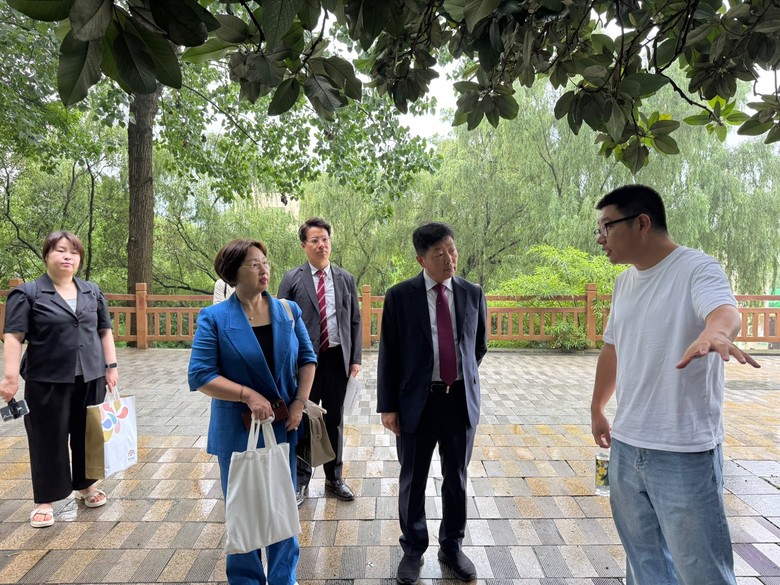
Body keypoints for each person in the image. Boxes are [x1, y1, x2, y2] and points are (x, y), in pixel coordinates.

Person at [589, 185, 760, 585]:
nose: (600, 238)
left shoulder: (697, 268)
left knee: (703, 572)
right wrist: (598, 407)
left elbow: (725, 312)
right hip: (627, 447)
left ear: (641, 223)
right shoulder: (624, 283)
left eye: (607, 227)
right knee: (645, 567)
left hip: (683, 452)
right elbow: (612, 349)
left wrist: (715, 332)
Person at [188, 239, 316, 585]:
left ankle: (283, 577)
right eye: (254, 264)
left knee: (281, 506)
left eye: (265, 262)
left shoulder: (287, 310)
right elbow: (200, 375)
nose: (264, 269)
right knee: (243, 510)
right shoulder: (215, 318)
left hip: (283, 425)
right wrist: (247, 395)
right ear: (233, 273)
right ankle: (245, 579)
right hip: (237, 429)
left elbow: (308, 359)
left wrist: (299, 403)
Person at [377, 222, 487, 584]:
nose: (449, 259)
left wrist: (457, 375)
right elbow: (389, 353)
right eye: (439, 253)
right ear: (421, 259)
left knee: (456, 478)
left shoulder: (473, 293)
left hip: (459, 402)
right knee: (413, 479)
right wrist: (388, 406)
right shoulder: (400, 296)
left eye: (451, 250)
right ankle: (413, 548)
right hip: (416, 404)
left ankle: (452, 546)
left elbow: (478, 346)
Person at [0, 231, 118, 528]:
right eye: (60, 250)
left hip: (91, 376)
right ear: (46, 255)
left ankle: (86, 485)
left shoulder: (92, 291)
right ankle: (46, 500)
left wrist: (111, 366)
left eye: (74, 252)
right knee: (47, 437)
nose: (68, 256)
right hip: (46, 378)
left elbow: (104, 330)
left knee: (88, 434)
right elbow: (13, 337)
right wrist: (10, 378)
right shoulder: (28, 293)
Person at [277, 217, 362, 507]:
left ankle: (333, 478)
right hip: (305, 362)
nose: (321, 244)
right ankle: (300, 481)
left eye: (325, 239)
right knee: (302, 418)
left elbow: (354, 320)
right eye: (314, 240)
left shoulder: (345, 278)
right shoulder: (292, 279)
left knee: (334, 419)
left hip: (338, 359)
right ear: (304, 245)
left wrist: (355, 359)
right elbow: (281, 323)